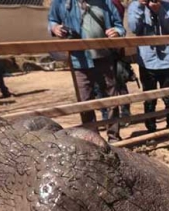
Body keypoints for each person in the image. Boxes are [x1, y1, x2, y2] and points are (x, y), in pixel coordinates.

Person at [48, 0, 126, 142]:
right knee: (85, 100)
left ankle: (114, 136)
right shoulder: (60, 3)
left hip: (104, 56)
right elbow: (52, 21)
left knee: (111, 98)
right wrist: (54, 28)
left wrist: (117, 31)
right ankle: (92, 139)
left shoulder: (105, 3)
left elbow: (119, 25)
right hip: (79, 59)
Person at [128, 0, 169, 133]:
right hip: (146, 61)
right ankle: (151, 130)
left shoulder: (167, 6)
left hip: (167, 61)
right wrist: (140, 6)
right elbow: (133, 28)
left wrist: (160, 11)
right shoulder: (135, 5)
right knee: (149, 100)